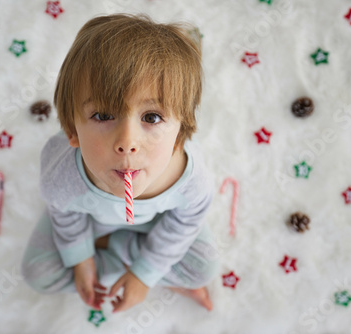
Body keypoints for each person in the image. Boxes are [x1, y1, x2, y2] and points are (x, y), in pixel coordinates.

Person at [21, 13, 221, 313]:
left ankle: (114, 251)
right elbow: (64, 215)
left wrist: (145, 273)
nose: (127, 141)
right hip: (89, 221)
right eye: (103, 116)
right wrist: (81, 260)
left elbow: (184, 224)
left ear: (181, 132)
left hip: (156, 226)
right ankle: (119, 254)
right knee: (38, 273)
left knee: (203, 267)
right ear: (72, 131)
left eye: (151, 117)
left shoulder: (191, 181)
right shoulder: (60, 175)